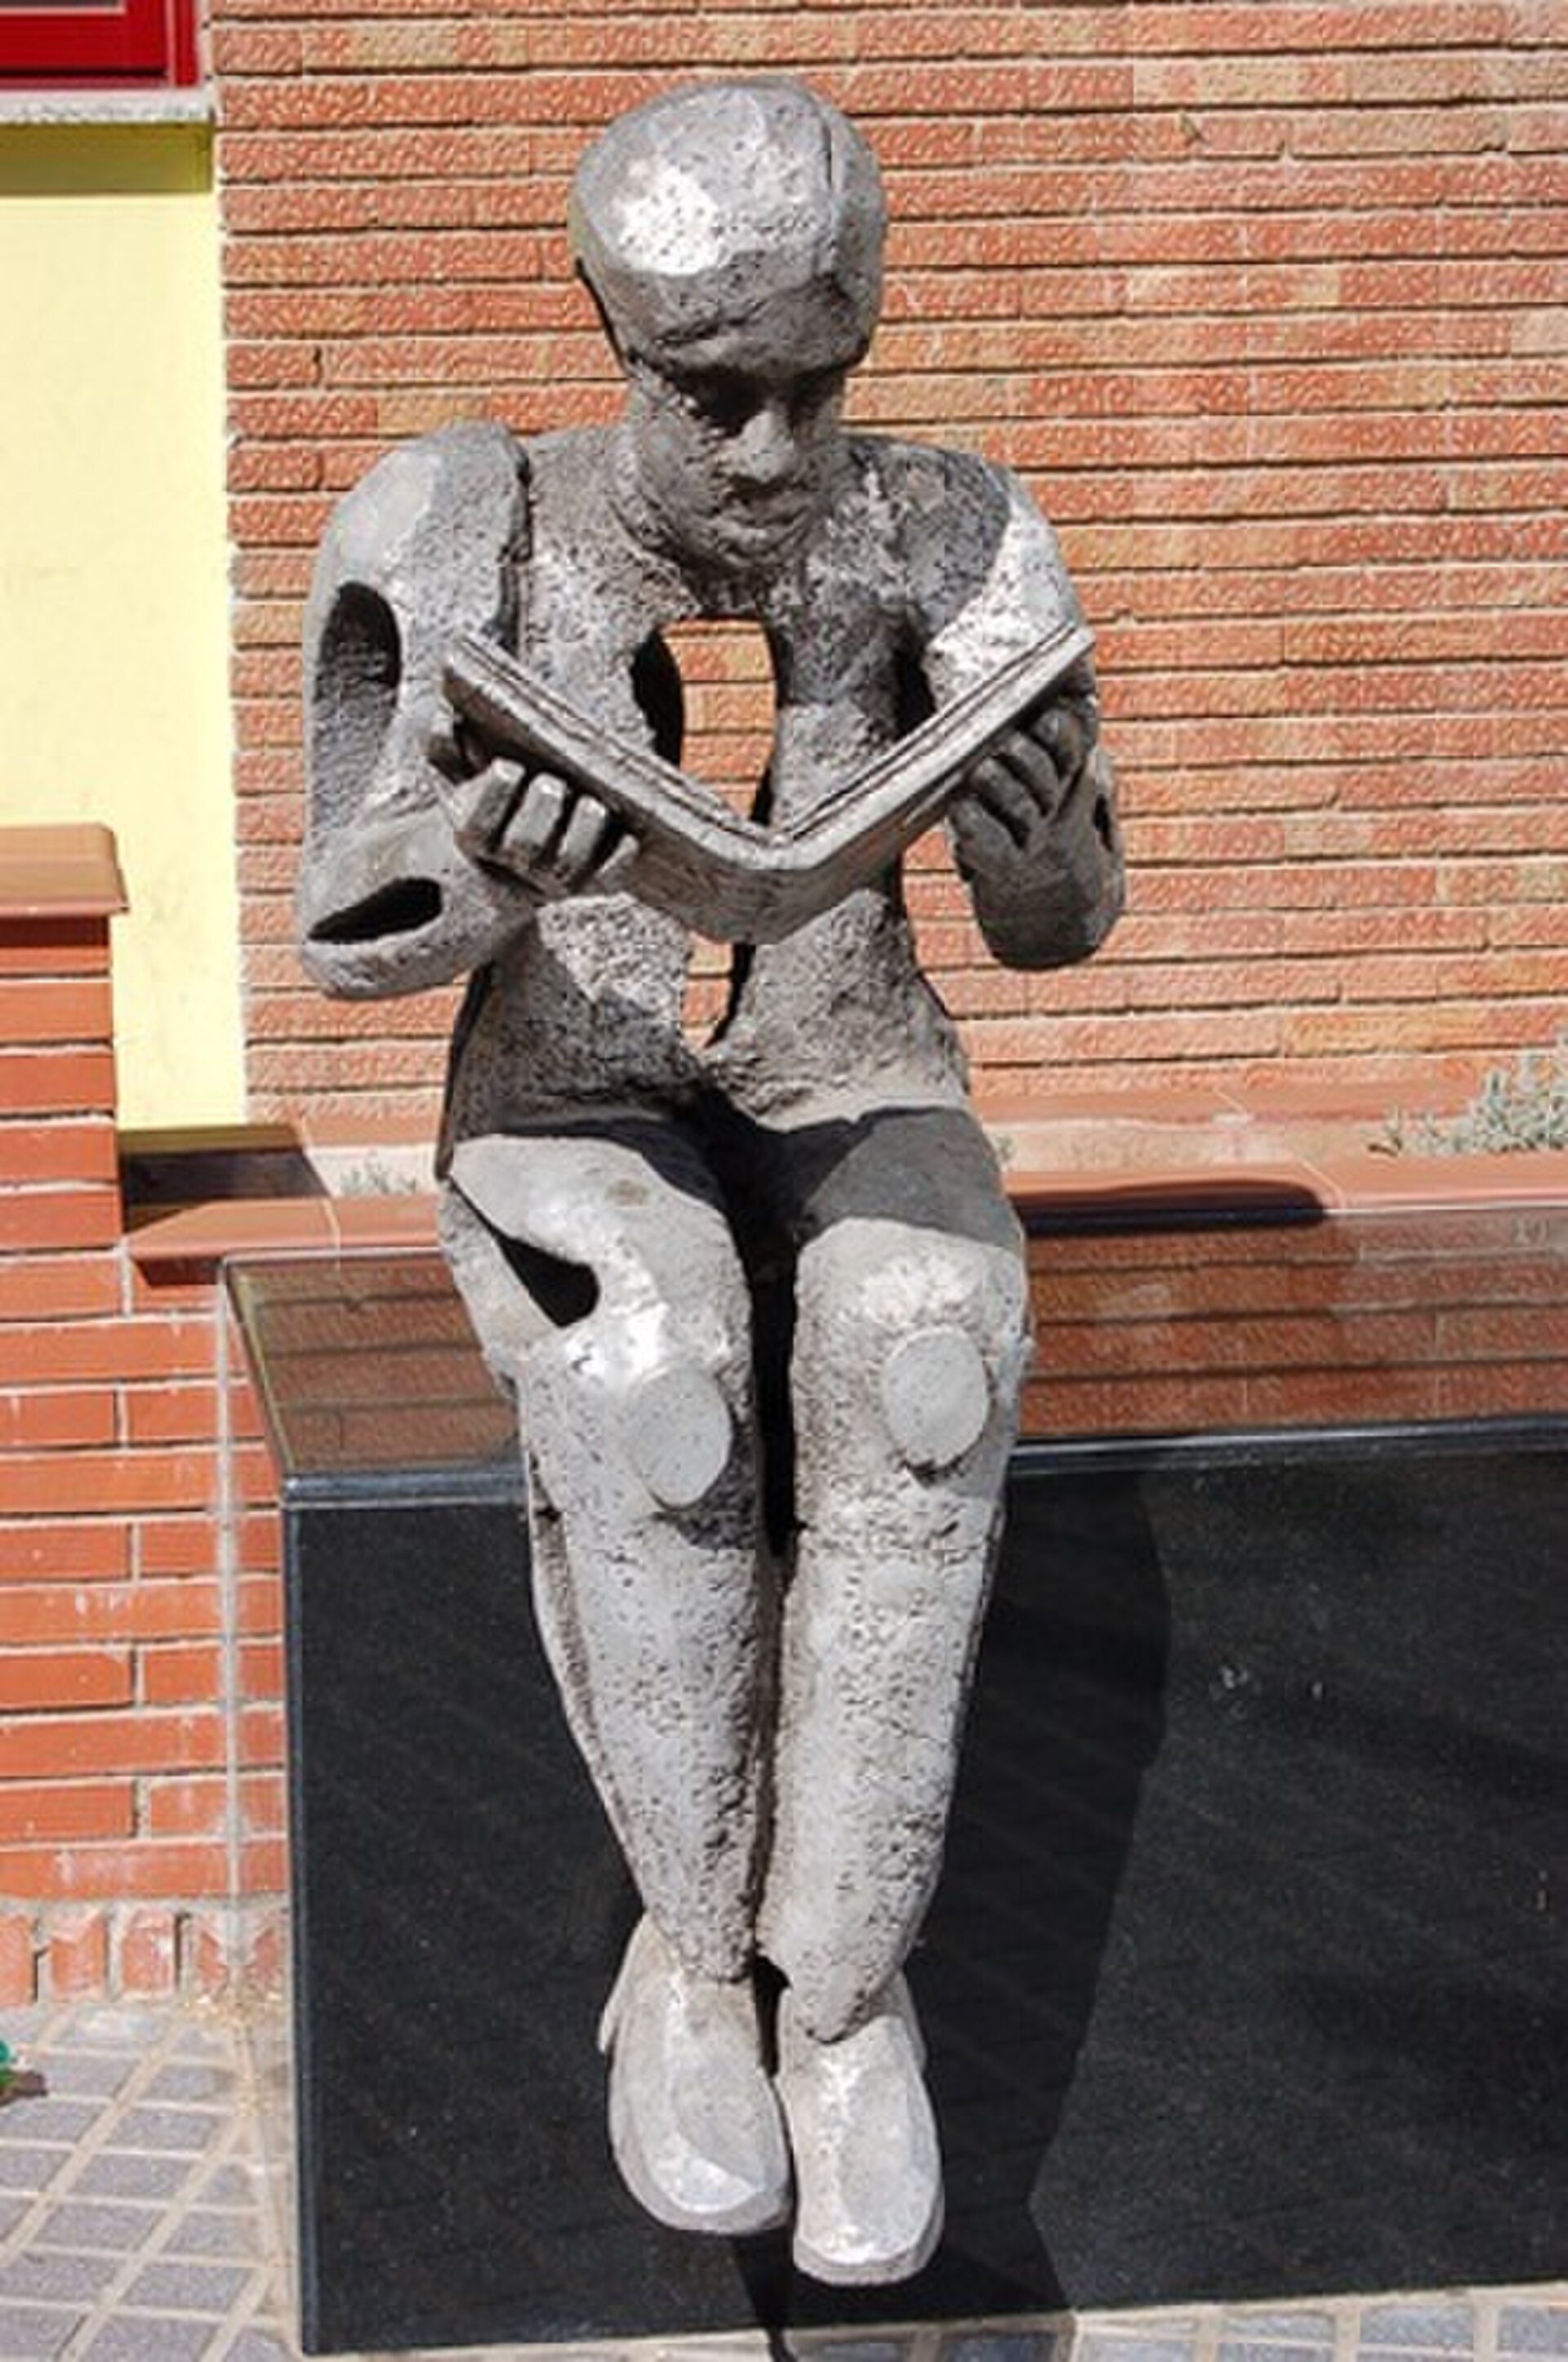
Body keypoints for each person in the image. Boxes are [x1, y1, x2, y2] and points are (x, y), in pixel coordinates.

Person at [296, 78, 1124, 2285]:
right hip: (576, 1076)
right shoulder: (467, 521)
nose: (769, 451)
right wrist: (480, 860)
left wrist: (1033, 834)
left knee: (924, 1347)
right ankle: (687, 1956)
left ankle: (846, 1999)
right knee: (660, 1371)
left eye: (814, 383)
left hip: (847, 1048)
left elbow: (1061, 929)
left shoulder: (944, 527)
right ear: (610, 336)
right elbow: (343, 922)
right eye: (710, 394)